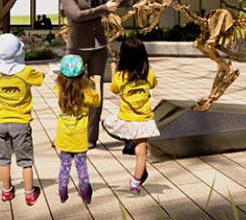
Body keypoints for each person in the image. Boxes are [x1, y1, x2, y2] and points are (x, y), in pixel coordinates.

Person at [60, 0, 150, 146]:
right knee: (72, 92)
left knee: (96, 93)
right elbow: (77, 15)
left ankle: (90, 138)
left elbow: (121, 3)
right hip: (76, 50)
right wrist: (104, 9)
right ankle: (68, 134)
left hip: (98, 49)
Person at [102, 38, 160, 194]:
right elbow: (154, 84)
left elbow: (114, 89)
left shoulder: (121, 76)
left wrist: (113, 69)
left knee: (105, 123)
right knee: (142, 152)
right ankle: (136, 183)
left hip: (127, 119)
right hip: (144, 119)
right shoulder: (147, 74)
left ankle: (128, 141)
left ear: (124, 56)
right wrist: (149, 68)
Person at [0, 33, 44, 206]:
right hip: (21, 123)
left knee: (3, 160)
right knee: (26, 161)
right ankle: (29, 194)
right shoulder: (26, 72)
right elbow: (41, 78)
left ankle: (6, 191)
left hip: (0, 122)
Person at [54, 54, 102, 204]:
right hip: (80, 138)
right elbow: (97, 101)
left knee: (64, 166)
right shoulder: (86, 94)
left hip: (64, 137)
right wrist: (97, 83)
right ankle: (85, 192)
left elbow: (58, 84)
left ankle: (62, 191)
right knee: (81, 167)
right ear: (83, 75)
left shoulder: (60, 90)